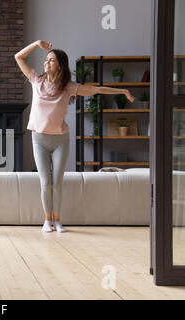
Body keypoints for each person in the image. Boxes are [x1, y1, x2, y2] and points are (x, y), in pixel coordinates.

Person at [15, 40, 135, 233]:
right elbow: (18, 57)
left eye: (51, 60)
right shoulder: (36, 80)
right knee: (46, 182)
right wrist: (37, 44)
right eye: (46, 60)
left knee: (57, 182)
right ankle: (47, 220)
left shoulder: (69, 87)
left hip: (60, 140)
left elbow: (97, 89)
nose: (46, 63)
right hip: (39, 139)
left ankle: (58, 220)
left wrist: (122, 90)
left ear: (60, 65)